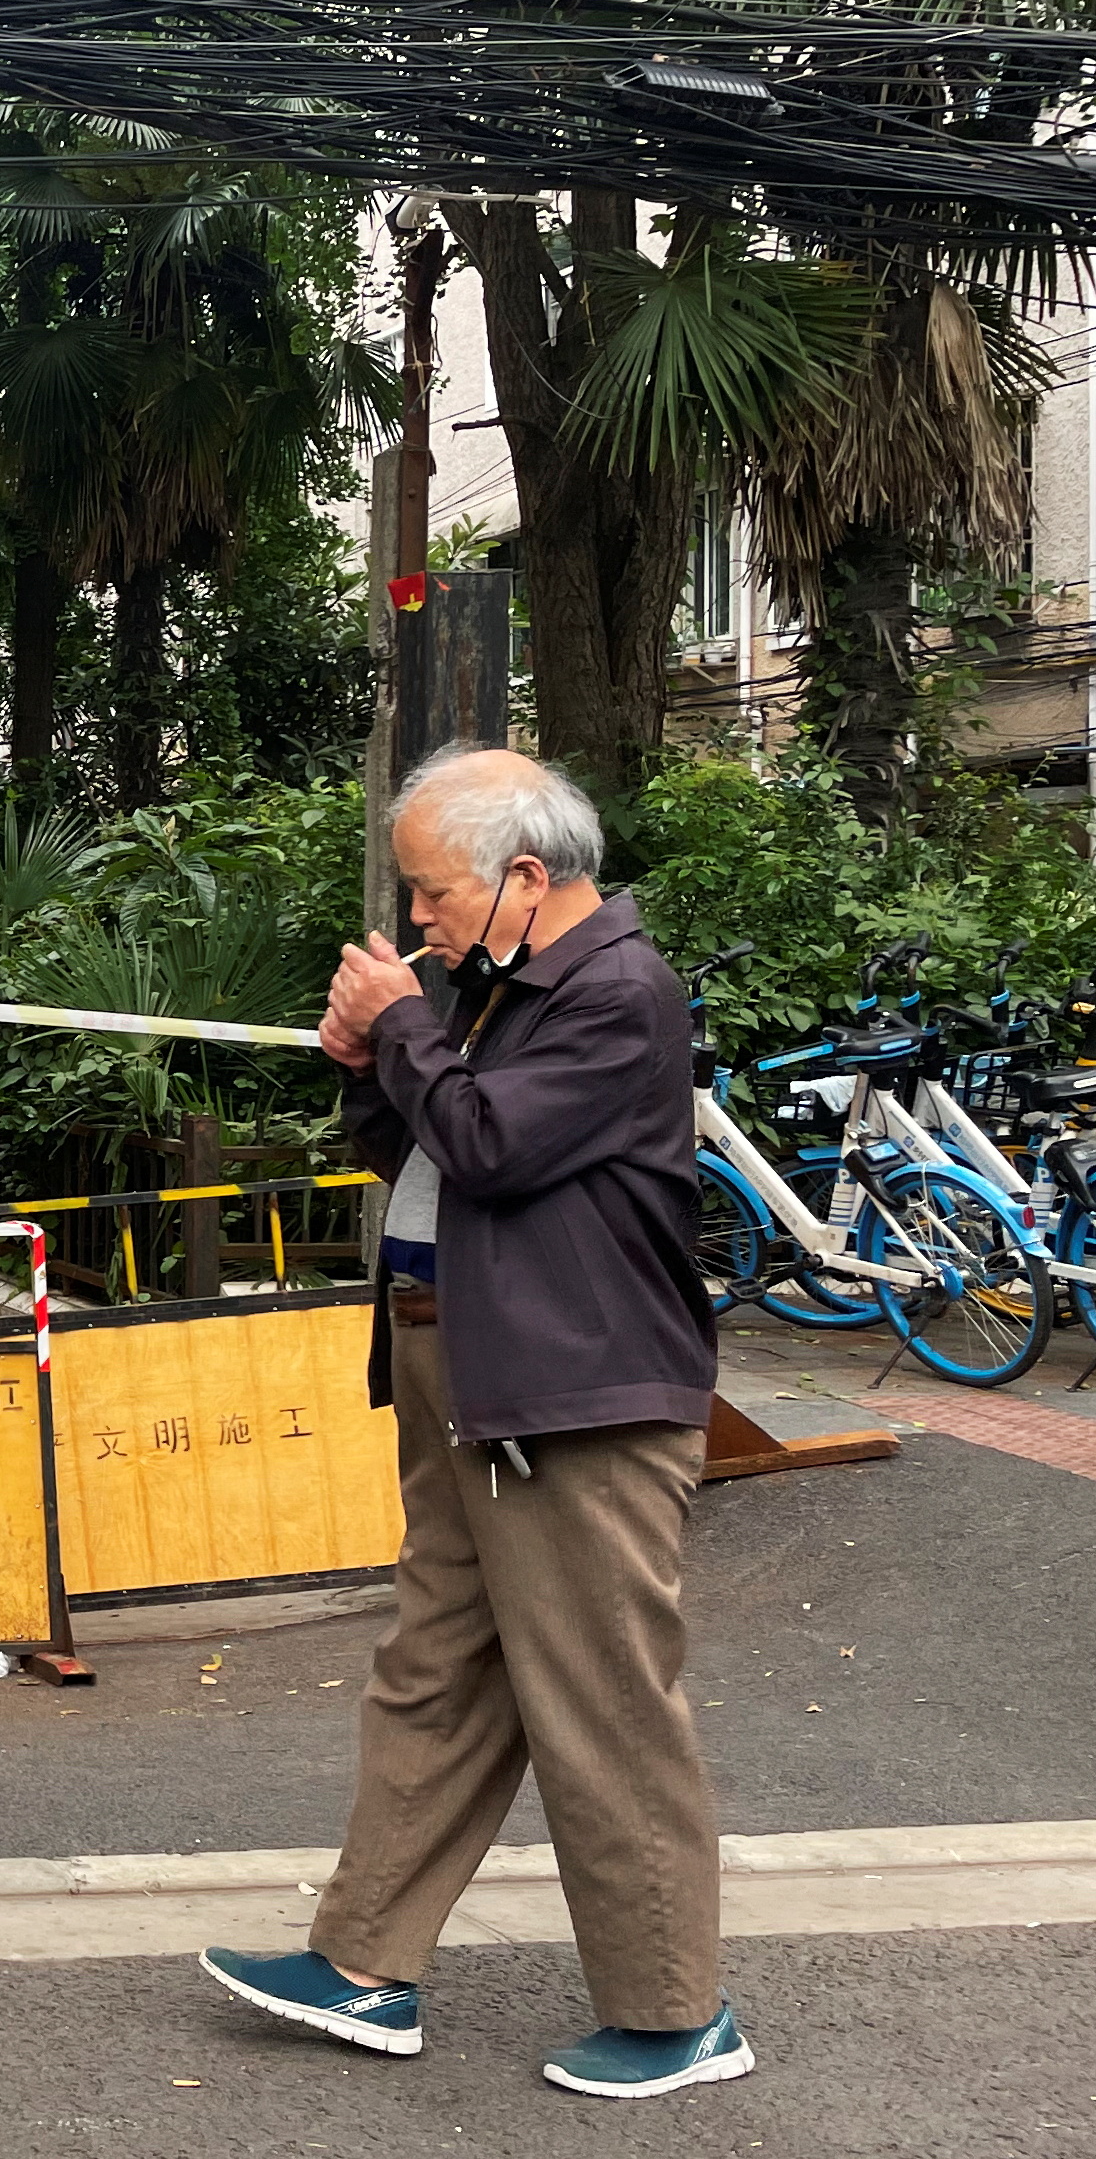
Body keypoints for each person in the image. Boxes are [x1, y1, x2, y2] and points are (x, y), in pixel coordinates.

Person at [202, 747, 746, 2099]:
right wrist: (367, 1053)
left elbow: (493, 1146)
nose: (416, 919)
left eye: (430, 891)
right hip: (469, 1373)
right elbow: (423, 1147)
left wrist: (400, 1027)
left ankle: (677, 2010)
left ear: (521, 874)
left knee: (600, 1703)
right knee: (434, 1673)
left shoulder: (614, 990)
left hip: (573, 1395)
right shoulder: (493, 990)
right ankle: (360, 1961)